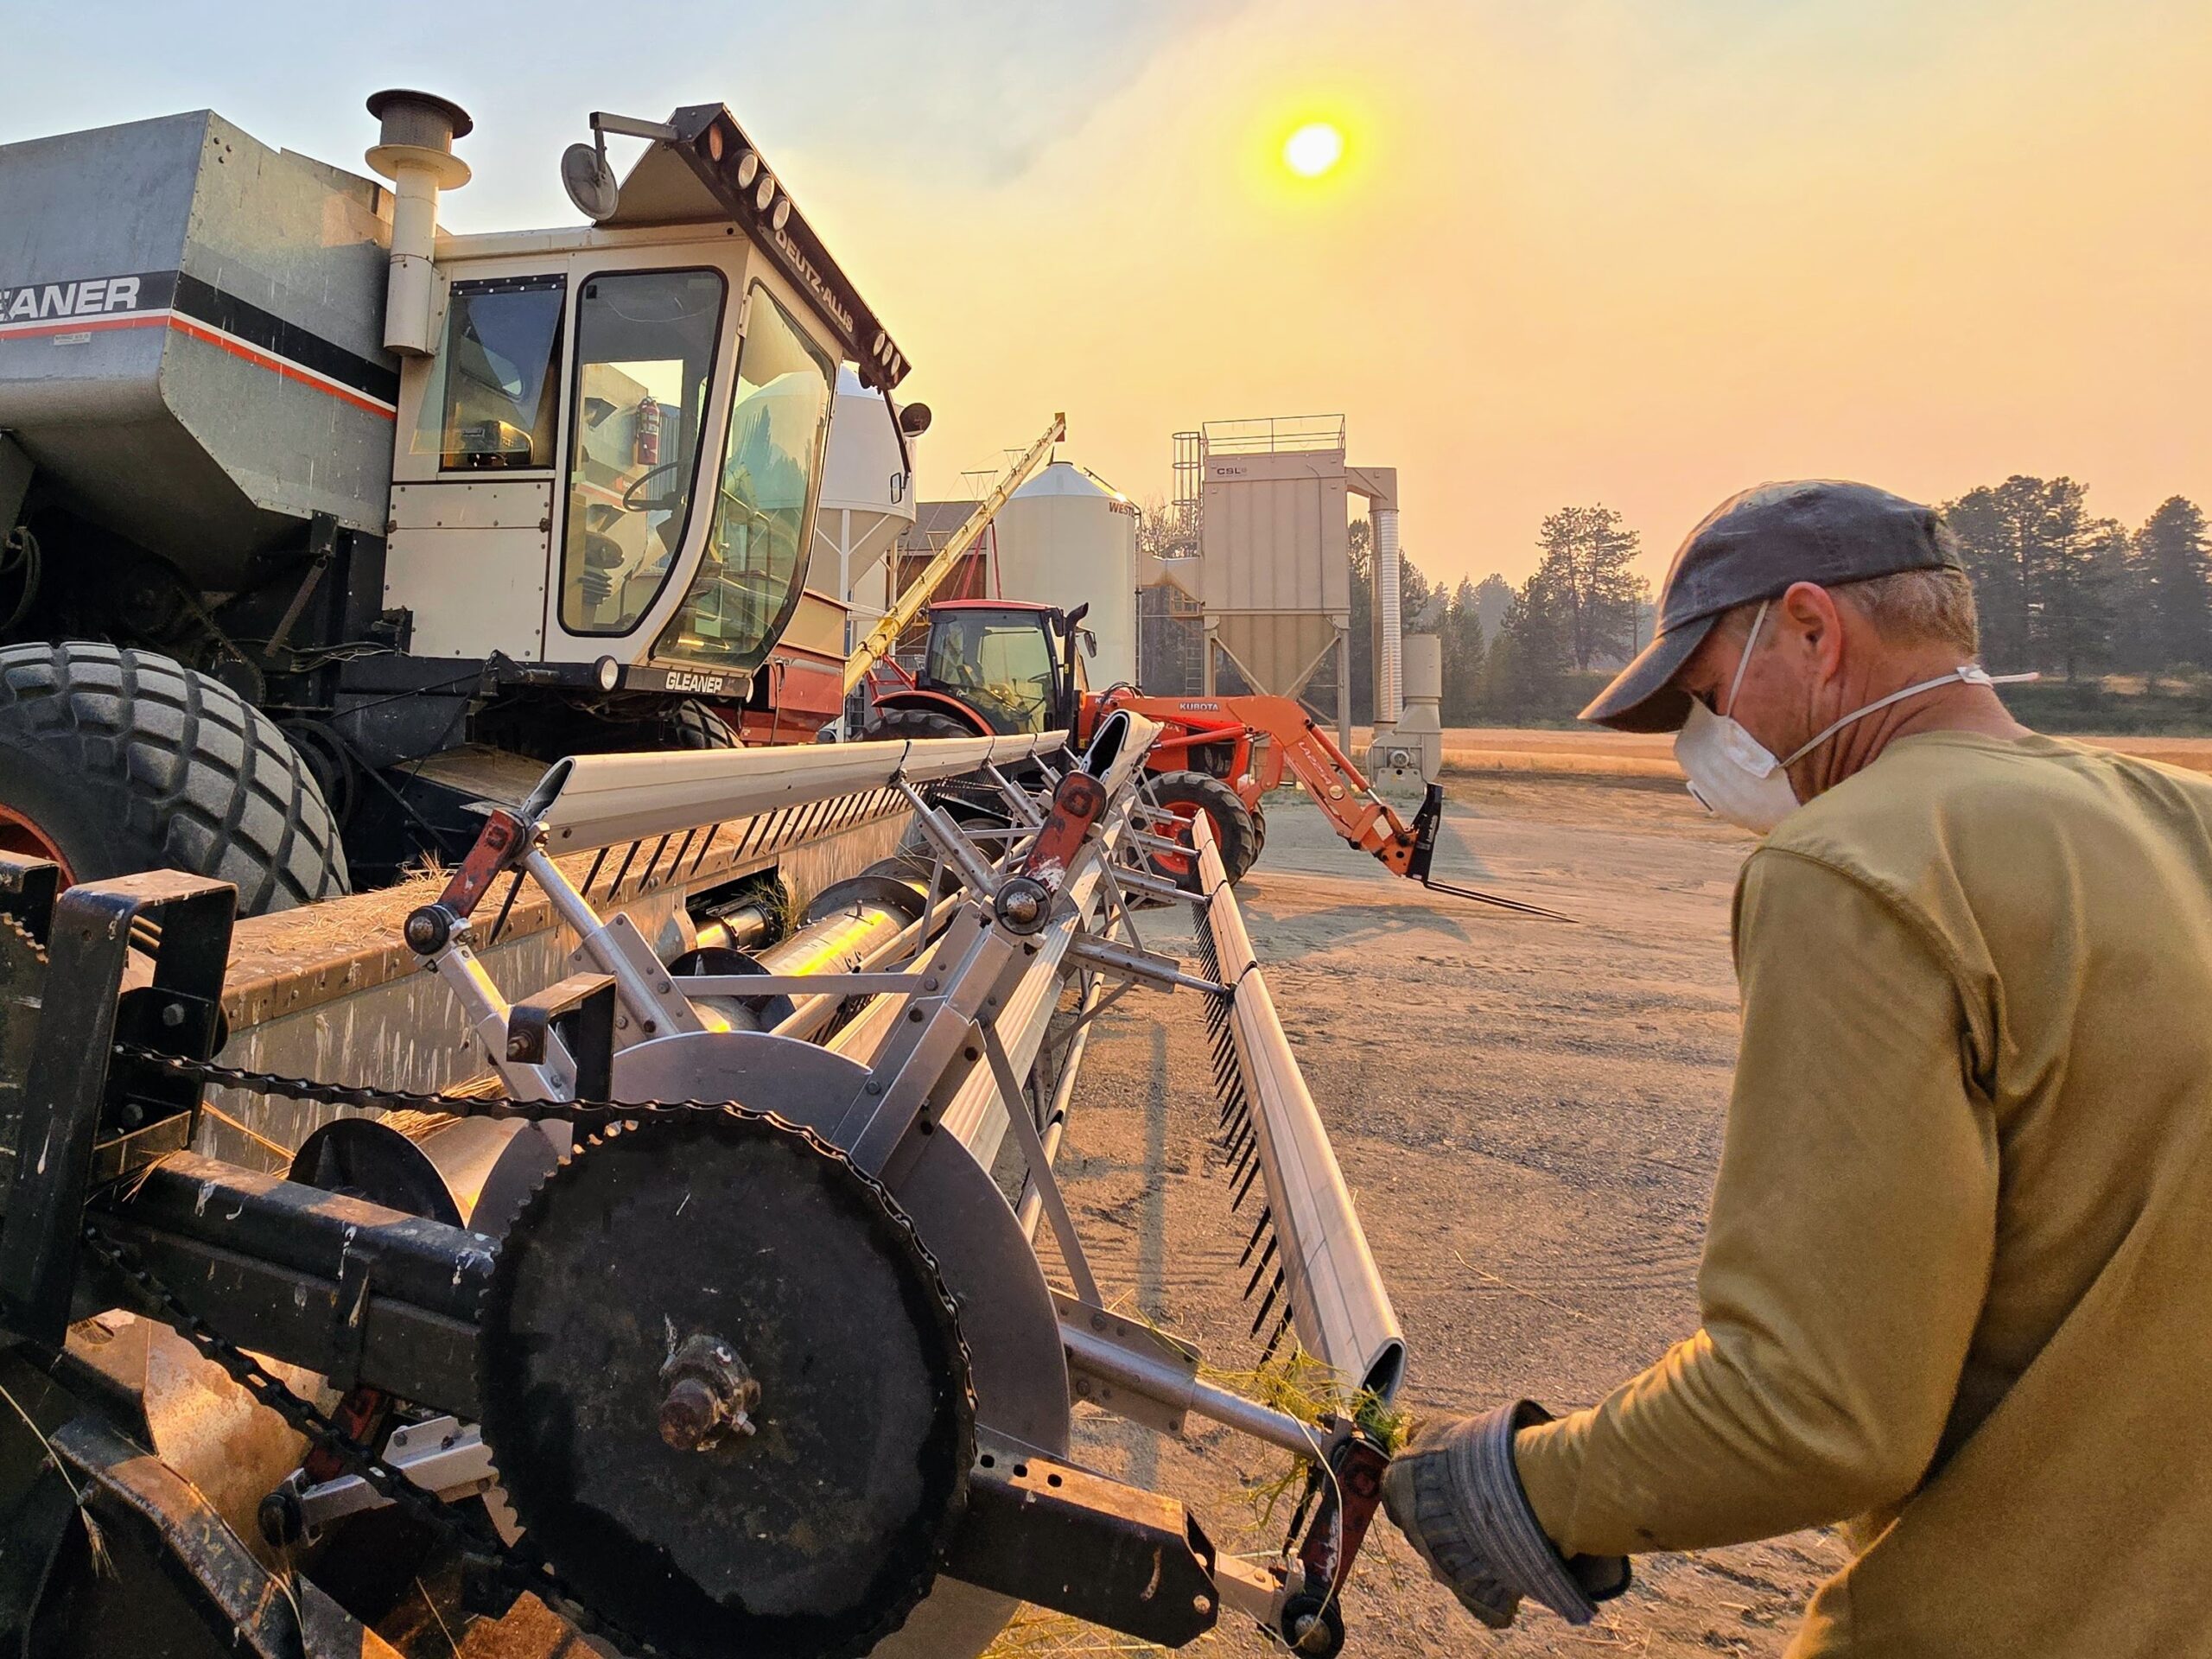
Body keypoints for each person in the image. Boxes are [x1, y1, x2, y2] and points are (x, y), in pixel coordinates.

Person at [1382, 480, 2212, 1656]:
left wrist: (1518, 1487)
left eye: (1712, 696)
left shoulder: (1862, 864)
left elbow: (1815, 1412)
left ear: (1815, 632)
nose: (1701, 745)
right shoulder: (2179, 819)